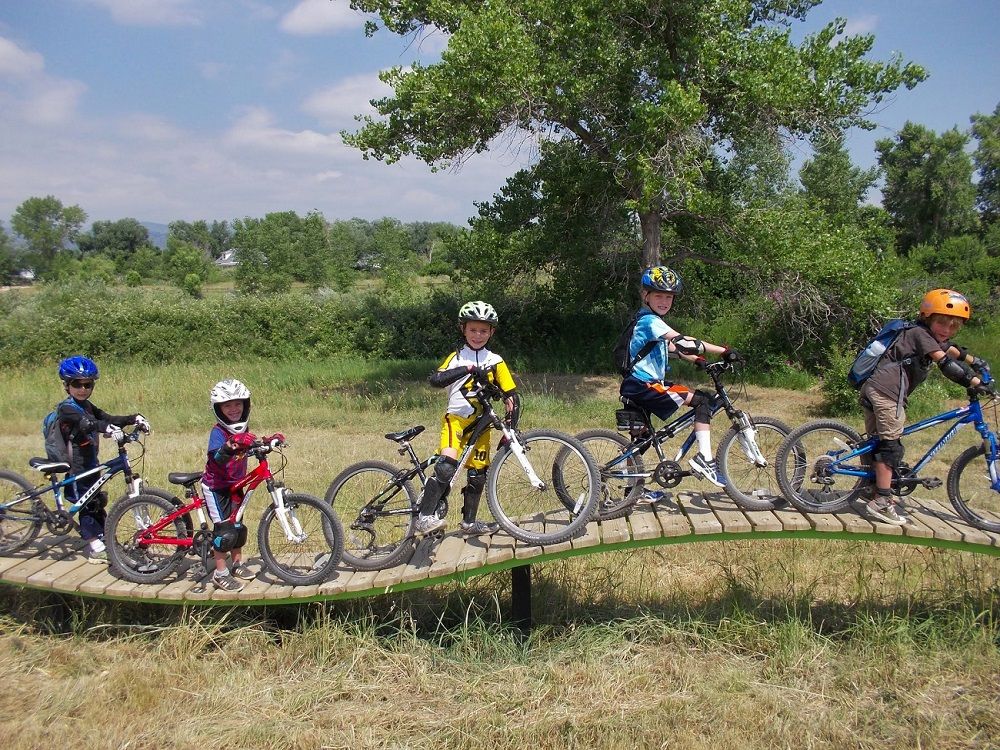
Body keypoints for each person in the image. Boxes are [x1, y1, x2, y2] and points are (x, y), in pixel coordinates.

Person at [859, 288, 991, 526]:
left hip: (877, 388)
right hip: (887, 393)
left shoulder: (928, 334)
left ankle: (872, 486)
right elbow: (946, 363)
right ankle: (881, 500)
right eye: (942, 323)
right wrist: (974, 381)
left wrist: (977, 362)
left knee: (878, 440)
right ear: (927, 317)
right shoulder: (921, 335)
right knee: (890, 446)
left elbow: (955, 350)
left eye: (954, 326)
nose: (947, 330)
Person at [619, 266, 738, 488]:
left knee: (641, 439)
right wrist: (723, 350)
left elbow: (674, 348)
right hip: (645, 385)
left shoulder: (647, 321)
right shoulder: (650, 322)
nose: (664, 301)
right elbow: (683, 341)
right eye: (659, 295)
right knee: (703, 401)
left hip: (636, 385)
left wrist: (699, 360)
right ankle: (705, 458)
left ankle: (632, 491)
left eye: (669, 297)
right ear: (646, 296)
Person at [413, 301, 520, 537]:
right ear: (463, 330)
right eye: (473, 330)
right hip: (457, 421)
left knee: (478, 474)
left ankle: (469, 523)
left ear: (492, 332)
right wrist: (467, 368)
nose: (478, 335)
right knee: (446, 466)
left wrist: (511, 428)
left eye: (484, 330)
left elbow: (511, 395)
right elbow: (436, 380)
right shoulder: (457, 357)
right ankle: (424, 518)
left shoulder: (496, 360)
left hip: (481, 426)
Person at [48, 356, 149, 563]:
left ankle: (105, 539)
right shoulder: (66, 408)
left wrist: (133, 418)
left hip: (90, 463)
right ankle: (94, 547)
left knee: (95, 502)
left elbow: (107, 418)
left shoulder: (86, 404)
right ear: (67, 385)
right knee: (85, 503)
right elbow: (87, 424)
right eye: (77, 384)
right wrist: (106, 428)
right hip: (76, 467)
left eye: (88, 384)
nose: (83, 389)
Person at [202, 378, 261, 592]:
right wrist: (230, 446)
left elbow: (250, 444)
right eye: (227, 405)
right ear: (219, 409)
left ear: (246, 405)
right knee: (224, 531)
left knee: (238, 528)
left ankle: (237, 564)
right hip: (216, 488)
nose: (234, 409)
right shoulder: (219, 433)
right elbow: (216, 458)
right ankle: (220, 573)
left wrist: (267, 441)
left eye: (238, 404)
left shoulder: (243, 429)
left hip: (236, 485)